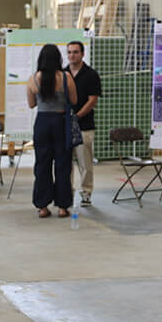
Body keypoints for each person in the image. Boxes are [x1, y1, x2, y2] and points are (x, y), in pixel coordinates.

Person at [24, 43, 78, 218]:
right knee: (63, 165)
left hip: (42, 123)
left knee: (42, 164)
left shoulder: (33, 79)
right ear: (58, 59)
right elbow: (74, 100)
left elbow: (31, 104)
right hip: (61, 122)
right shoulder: (66, 77)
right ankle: (62, 207)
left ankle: (42, 206)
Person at [65, 41, 102, 207]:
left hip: (84, 126)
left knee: (84, 163)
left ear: (82, 54)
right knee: (65, 163)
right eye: (69, 52)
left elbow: (92, 100)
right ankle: (67, 192)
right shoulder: (62, 74)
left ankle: (86, 192)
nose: (72, 55)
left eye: (75, 52)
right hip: (64, 126)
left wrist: (77, 116)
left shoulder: (91, 75)